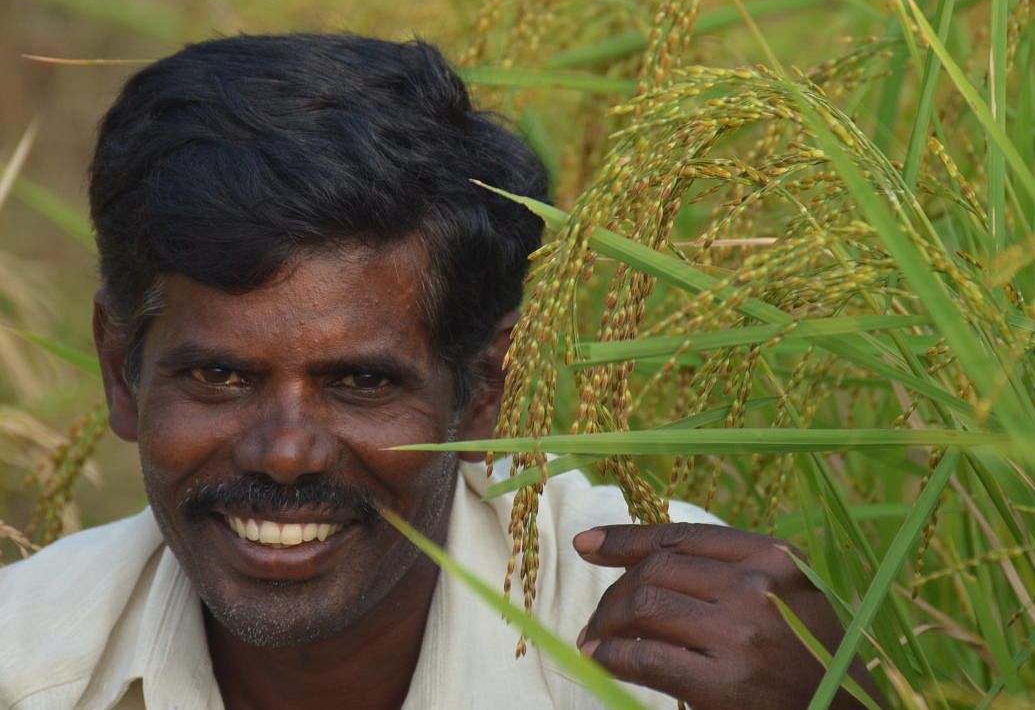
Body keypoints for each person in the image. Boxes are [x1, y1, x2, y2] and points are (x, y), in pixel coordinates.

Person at [0, 34, 874, 709]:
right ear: (123, 371)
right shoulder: (27, 663)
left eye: (363, 383)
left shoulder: (679, 660)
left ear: (486, 386)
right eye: (221, 377)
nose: (286, 454)